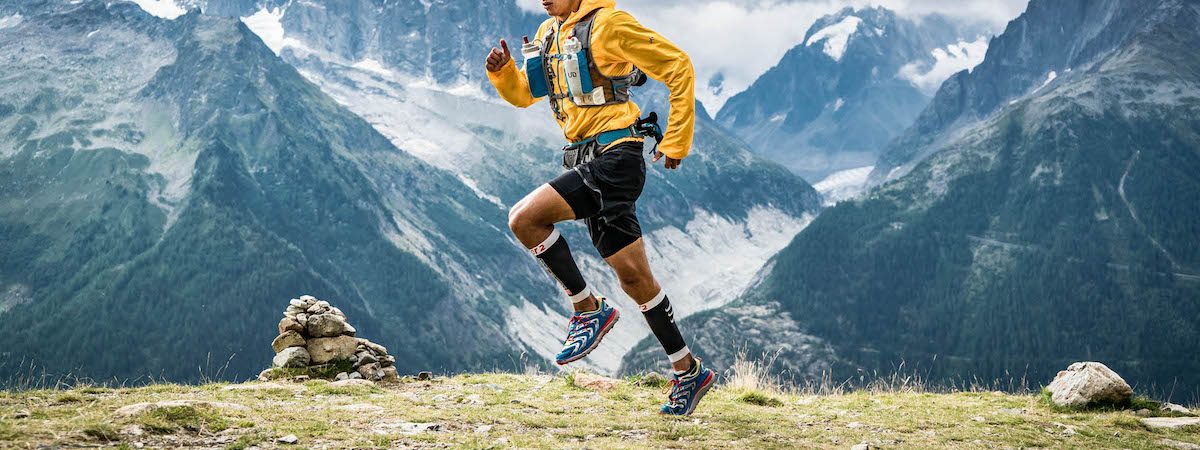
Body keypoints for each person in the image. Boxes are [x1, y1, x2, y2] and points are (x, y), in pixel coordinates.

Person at [485, 0, 714, 415]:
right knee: (635, 278)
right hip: (588, 160)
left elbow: (678, 65)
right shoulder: (547, 34)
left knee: (524, 219)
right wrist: (503, 74)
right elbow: (525, 94)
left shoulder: (609, 24)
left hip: (617, 158)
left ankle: (587, 308)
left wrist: (677, 140)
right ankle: (689, 371)